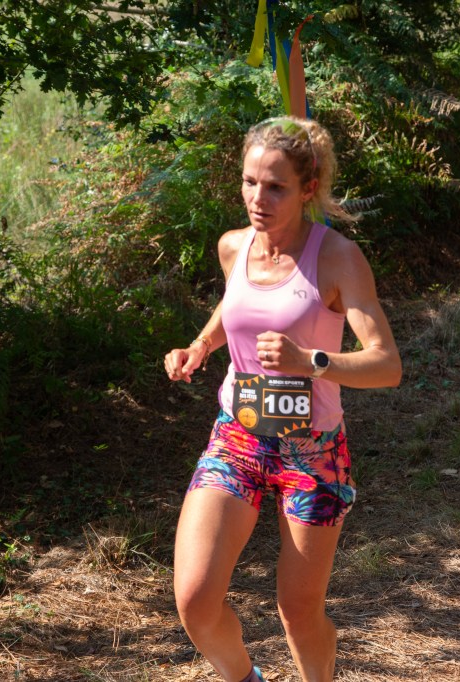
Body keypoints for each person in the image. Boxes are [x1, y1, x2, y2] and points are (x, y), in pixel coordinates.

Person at [163, 116, 402, 682]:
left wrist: (311, 361)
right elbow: (236, 304)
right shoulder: (233, 247)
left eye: (275, 187)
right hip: (237, 438)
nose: (257, 198)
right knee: (195, 600)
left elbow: (387, 365)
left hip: (313, 453)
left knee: (297, 612)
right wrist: (200, 345)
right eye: (250, 182)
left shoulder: (338, 258)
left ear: (308, 189)